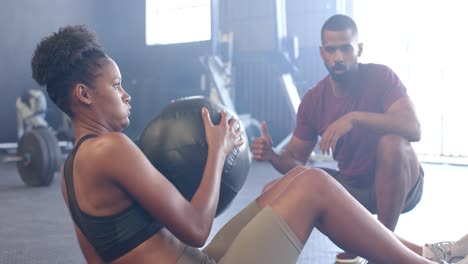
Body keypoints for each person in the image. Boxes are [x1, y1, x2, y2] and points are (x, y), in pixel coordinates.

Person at [31, 25, 467, 264]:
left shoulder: (74, 170)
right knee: (313, 185)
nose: (126, 94)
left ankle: (420, 254)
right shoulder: (111, 148)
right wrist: (217, 152)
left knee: (292, 180)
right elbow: (197, 227)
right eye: (117, 85)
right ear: (83, 96)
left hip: (197, 260)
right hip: (197, 256)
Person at [252, 14, 424, 263]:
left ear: (359, 49)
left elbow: (413, 128)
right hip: (353, 188)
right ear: (322, 53)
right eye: (331, 50)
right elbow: (295, 162)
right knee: (274, 189)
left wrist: (354, 118)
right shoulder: (313, 100)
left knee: (392, 143)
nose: (338, 57)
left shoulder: (381, 77)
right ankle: (363, 243)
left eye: (346, 48)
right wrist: (272, 155)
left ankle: (383, 252)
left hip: (402, 185)